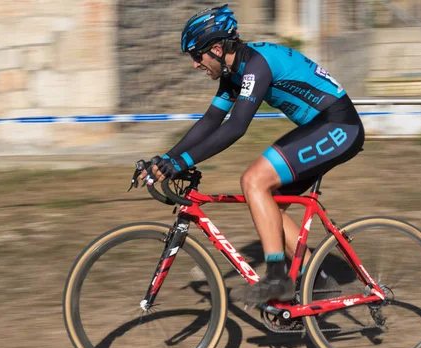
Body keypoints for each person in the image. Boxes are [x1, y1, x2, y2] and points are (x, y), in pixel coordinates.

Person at [135, 4, 365, 307]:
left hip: (338, 126)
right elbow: (210, 121)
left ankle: (276, 279)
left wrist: (181, 163)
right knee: (269, 205)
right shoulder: (234, 73)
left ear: (216, 49)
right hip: (321, 126)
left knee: (254, 181)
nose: (195, 64)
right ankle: (317, 280)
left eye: (196, 55)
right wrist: (165, 159)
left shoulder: (257, 65)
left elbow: (236, 127)